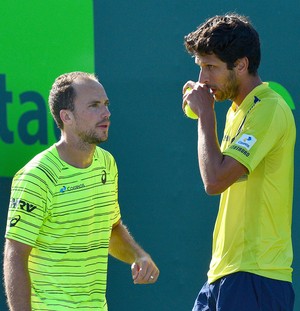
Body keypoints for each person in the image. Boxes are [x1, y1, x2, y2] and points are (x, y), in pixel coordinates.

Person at [3, 71, 159, 311]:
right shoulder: (38, 175)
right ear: (67, 116)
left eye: (106, 104)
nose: (106, 113)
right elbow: (15, 254)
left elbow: (111, 228)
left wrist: (138, 256)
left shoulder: (107, 164)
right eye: (94, 106)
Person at [182, 14, 296, 311]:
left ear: (241, 65)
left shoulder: (268, 108)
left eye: (211, 68)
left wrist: (206, 114)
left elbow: (215, 180)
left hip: (257, 276)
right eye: (200, 68)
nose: (203, 79)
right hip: (223, 274)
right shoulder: (236, 110)